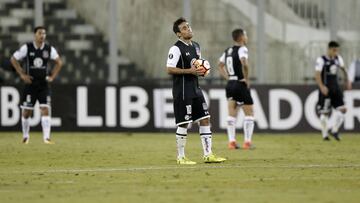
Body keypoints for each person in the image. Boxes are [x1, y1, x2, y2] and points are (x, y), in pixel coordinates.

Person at [166, 17, 226, 164]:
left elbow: (198, 66)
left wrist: (202, 71)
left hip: (196, 89)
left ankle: (208, 154)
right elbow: (169, 69)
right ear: (179, 34)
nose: (189, 29)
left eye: (189, 26)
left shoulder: (196, 46)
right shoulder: (176, 48)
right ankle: (181, 157)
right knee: (184, 123)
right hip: (183, 91)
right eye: (184, 28)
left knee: (205, 119)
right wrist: (190, 71)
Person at [10, 26, 63, 144]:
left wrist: (52, 77)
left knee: (45, 109)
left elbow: (59, 62)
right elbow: (13, 59)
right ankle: (25, 136)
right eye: (40, 33)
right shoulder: (27, 48)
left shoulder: (49, 49)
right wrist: (22, 75)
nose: (42, 35)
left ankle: (46, 138)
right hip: (31, 83)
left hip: (44, 84)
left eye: (44, 33)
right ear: (35, 35)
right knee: (26, 112)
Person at [218, 29, 255, 150]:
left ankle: (232, 142)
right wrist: (246, 78)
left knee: (231, 115)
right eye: (246, 35)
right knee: (249, 113)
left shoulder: (228, 50)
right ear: (241, 38)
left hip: (230, 84)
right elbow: (244, 63)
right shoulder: (242, 49)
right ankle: (247, 142)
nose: (247, 37)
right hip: (240, 83)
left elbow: (219, 65)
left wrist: (228, 78)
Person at [315, 41, 351, 141]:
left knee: (343, 110)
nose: (336, 52)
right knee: (324, 113)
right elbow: (317, 75)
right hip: (326, 89)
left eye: (337, 50)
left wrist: (347, 80)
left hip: (336, 88)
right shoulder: (321, 59)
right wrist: (322, 87)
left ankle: (334, 130)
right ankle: (325, 135)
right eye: (334, 50)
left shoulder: (338, 58)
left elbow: (344, 69)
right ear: (329, 49)